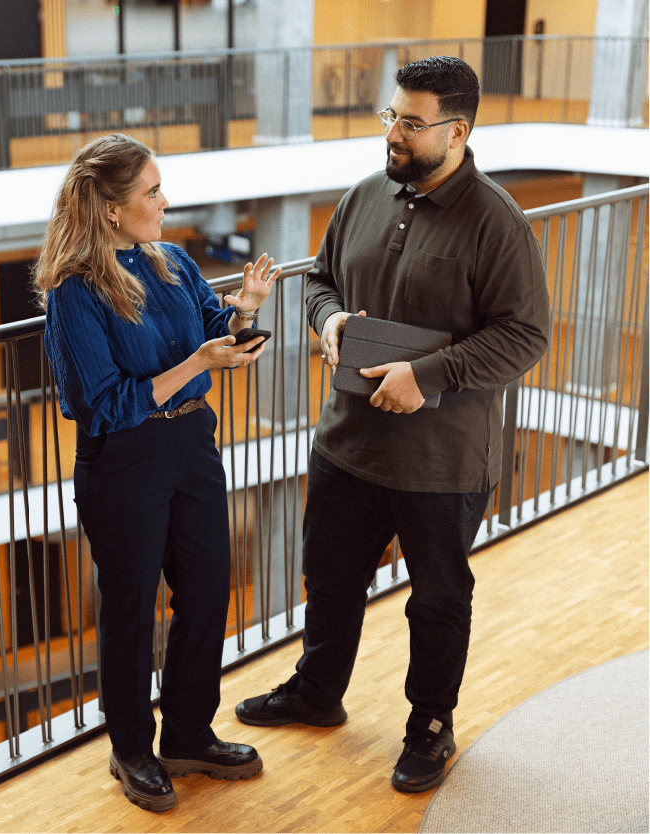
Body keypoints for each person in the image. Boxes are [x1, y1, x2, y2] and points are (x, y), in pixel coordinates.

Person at [235, 56, 550, 793]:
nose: (394, 134)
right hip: (346, 442)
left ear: (457, 129)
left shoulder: (497, 223)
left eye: (411, 123)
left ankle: (429, 729)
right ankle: (318, 692)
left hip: (440, 462)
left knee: (438, 598)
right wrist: (331, 318)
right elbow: (319, 279)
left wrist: (427, 376)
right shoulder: (365, 196)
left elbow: (524, 336)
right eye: (390, 117)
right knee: (329, 579)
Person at [34, 133, 280, 812]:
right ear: (112, 209)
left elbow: (210, 326)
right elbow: (103, 404)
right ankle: (132, 749)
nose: (165, 202)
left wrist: (245, 313)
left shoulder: (170, 259)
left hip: (192, 446)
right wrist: (201, 363)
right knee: (132, 611)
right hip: (125, 462)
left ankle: (190, 735)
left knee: (206, 592)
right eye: (151, 191)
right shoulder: (74, 291)